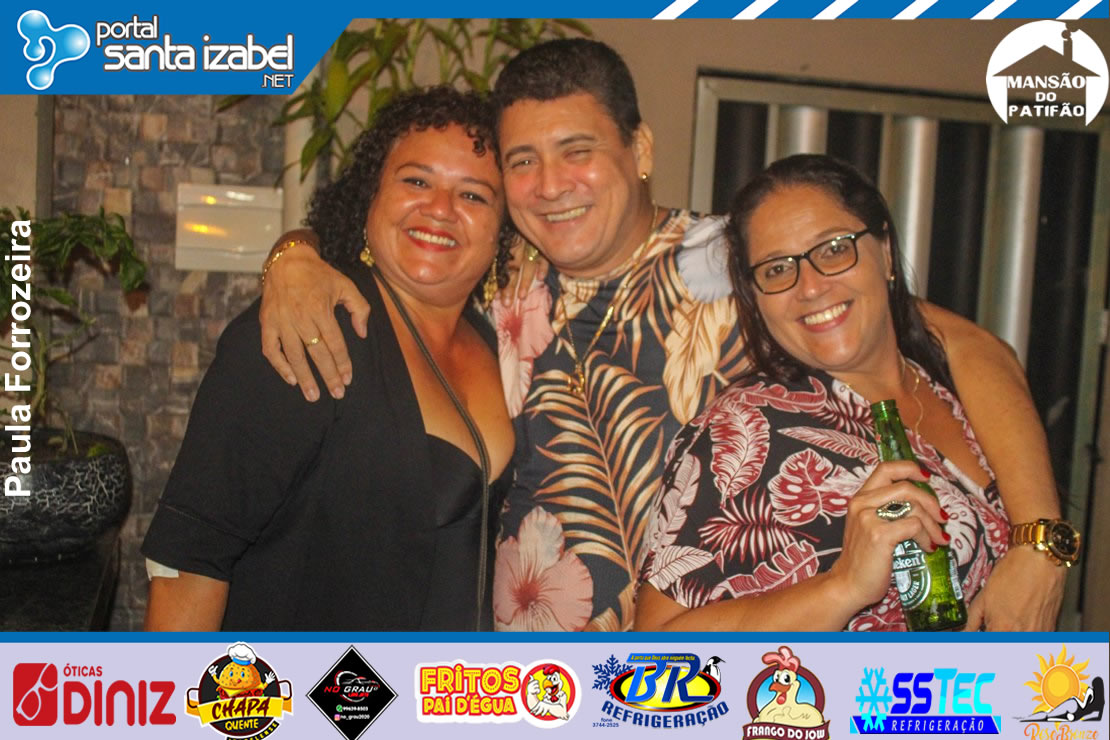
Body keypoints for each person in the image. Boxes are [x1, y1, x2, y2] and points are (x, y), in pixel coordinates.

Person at [254, 39, 1064, 631]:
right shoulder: (501, 278)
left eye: (577, 151)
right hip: (531, 691)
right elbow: (394, 236)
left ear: (639, 150)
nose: (550, 186)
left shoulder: (737, 262)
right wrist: (294, 254)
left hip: (702, 682)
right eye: (523, 161)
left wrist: (1038, 540)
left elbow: (963, 345)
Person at [636, 154, 1073, 631]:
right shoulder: (740, 429)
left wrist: (1041, 548)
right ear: (755, 298)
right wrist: (842, 586)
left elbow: (990, 350)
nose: (810, 286)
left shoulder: (958, 380)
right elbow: (652, 651)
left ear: (885, 253)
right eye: (777, 269)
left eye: (833, 249)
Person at [141, 87, 514, 630]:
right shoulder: (306, 329)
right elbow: (191, 561)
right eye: (416, 181)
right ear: (370, 195)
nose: (440, 208)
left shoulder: (503, 341)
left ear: (503, 228)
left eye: (474, 195)